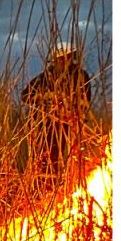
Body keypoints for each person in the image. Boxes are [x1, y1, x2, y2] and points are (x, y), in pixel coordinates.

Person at [21, 42, 92, 177]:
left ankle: (67, 184)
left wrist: (68, 103)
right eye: (59, 58)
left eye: (67, 57)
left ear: (72, 57)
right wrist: (43, 96)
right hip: (45, 124)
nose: (63, 61)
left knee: (72, 157)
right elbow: (25, 95)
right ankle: (46, 185)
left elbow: (85, 102)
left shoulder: (80, 76)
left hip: (69, 125)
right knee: (45, 157)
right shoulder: (45, 77)